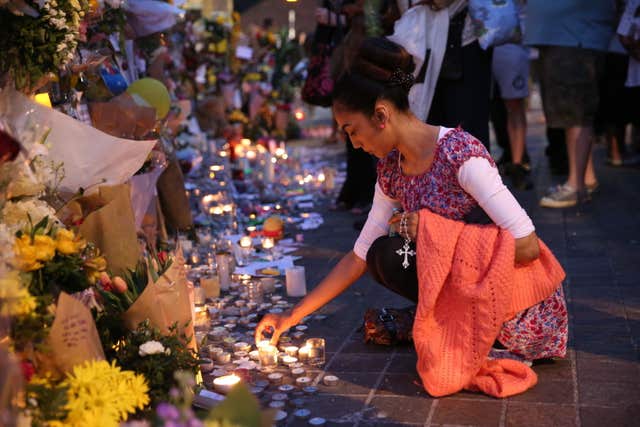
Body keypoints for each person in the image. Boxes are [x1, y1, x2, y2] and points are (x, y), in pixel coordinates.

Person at [256, 38, 568, 364]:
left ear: (380, 115)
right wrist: (291, 317)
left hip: (515, 305)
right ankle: (446, 322)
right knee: (383, 256)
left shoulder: (459, 154)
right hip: (470, 287)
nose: (355, 143)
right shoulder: (392, 168)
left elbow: (528, 245)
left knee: (395, 252)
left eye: (353, 131)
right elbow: (359, 257)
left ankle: (459, 329)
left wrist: (436, 232)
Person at [526, 0, 617, 208]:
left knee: (575, 112)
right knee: (574, 113)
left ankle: (576, 186)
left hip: (574, 37)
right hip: (570, 35)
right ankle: (585, 178)